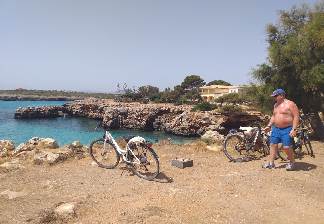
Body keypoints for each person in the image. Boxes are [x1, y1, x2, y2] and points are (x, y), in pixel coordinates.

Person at [263, 88, 299, 171]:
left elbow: (296, 116)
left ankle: (292, 162)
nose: (274, 98)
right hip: (276, 128)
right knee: (273, 144)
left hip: (287, 128)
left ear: (282, 96)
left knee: (286, 147)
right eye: (273, 96)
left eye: (276, 96)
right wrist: (269, 125)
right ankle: (271, 163)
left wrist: (294, 129)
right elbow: (274, 116)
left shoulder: (290, 104)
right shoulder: (275, 105)